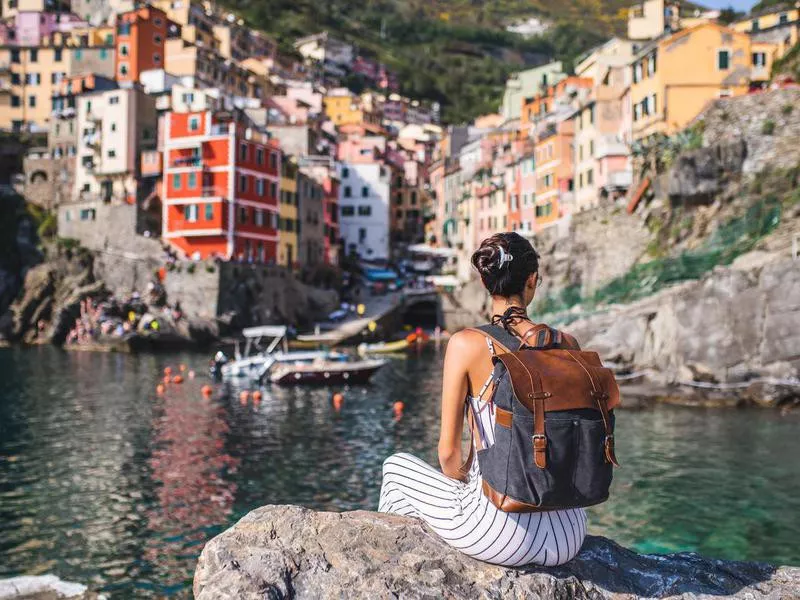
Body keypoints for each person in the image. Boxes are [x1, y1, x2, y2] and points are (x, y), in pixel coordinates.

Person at [378, 232, 587, 567]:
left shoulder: (467, 344)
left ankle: (398, 574)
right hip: (569, 531)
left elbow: (448, 454)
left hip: (501, 533)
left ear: (485, 281)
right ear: (531, 281)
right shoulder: (567, 345)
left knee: (395, 468)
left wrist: (469, 485)